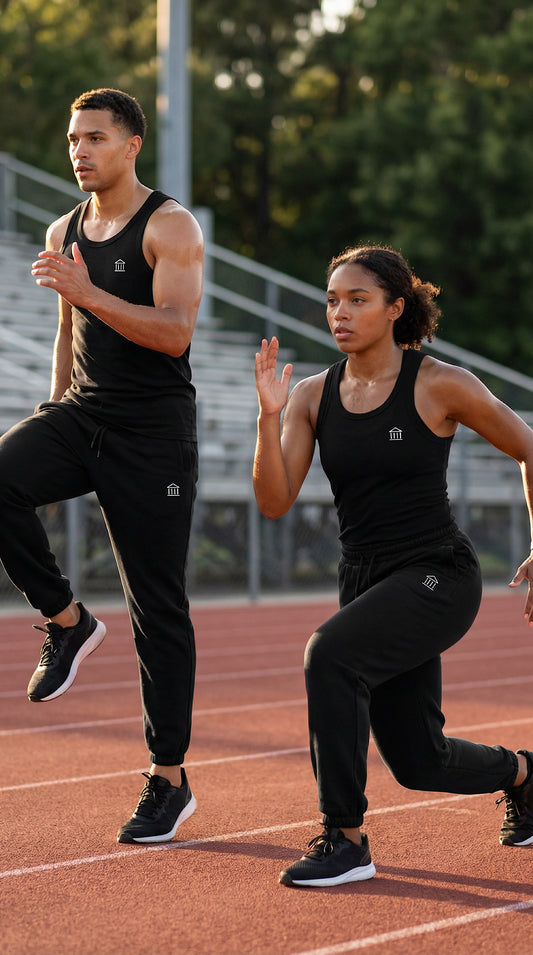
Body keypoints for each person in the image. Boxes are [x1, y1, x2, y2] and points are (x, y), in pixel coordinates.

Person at [253, 244, 533, 888]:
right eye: (331, 301)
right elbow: (273, 500)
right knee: (420, 762)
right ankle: (523, 773)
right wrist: (269, 418)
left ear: (396, 307)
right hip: (365, 581)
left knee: (329, 655)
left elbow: (528, 448)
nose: (340, 313)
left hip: (437, 573)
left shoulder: (440, 383)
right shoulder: (309, 395)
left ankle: (345, 840)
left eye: (358, 299)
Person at [0, 88, 203, 844]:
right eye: (71, 138)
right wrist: (51, 411)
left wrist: (89, 290)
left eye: (94, 137)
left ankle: (167, 778)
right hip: (83, 414)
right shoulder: (65, 225)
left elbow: (176, 335)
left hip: (153, 435)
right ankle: (67, 619)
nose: (78, 150)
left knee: (159, 609)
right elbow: (66, 326)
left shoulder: (171, 225)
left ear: (130, 145)